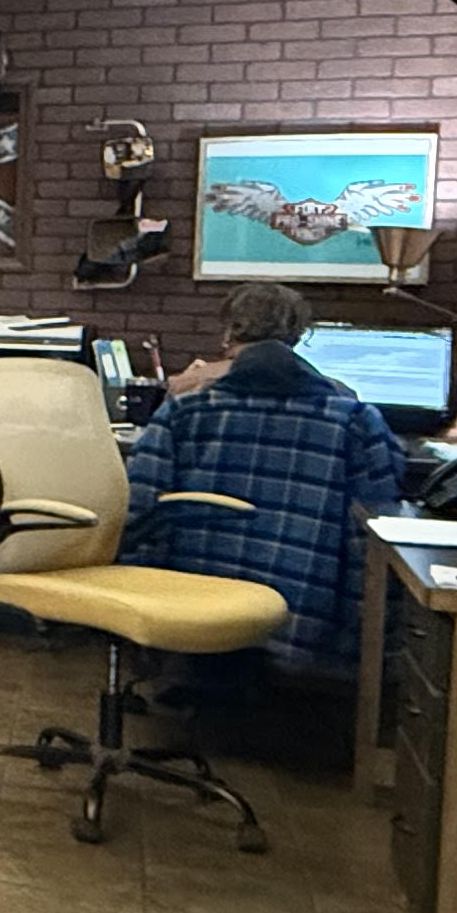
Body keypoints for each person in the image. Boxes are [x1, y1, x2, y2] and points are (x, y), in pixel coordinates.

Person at [124, 280, 408, 680]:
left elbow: (139, 514)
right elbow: (379, 523)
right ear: (300, 336)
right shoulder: (355, 420)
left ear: (228, 334)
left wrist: (136, 620)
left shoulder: (184, 412)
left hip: (191, 612)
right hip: (306, 621)